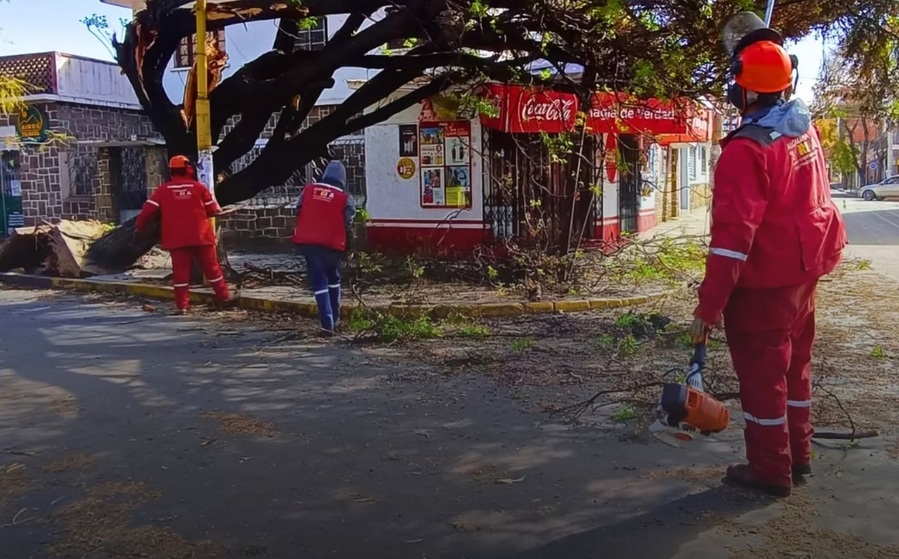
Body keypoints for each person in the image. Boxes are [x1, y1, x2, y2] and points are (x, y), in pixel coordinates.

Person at [689, 22, 848, 497]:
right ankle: (798, 456)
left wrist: (707, 309)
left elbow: (731, 243)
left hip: (764, 288)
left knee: (763, 382)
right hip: (803, 276)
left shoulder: (746, 151)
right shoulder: (803, 126)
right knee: (795, 372)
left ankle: (770, 470)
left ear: (741, 84)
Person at [135, 155, 236, 315]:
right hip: (201, 236)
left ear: (171, 171)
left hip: (176, 238)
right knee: (212, 269)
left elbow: (147, 211)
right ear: (189, 169)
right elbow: (212, 211)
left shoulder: (163, 190)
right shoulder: (199, 188)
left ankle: (182, 307)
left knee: (181, 273)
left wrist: (139, 228)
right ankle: (224, 297)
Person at [292, 160, 356, 333]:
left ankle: (327, 321)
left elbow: (297, 210)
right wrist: (348, 247)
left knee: (318, 279)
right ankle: (335, 318)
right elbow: (348, 222)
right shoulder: (345, 198)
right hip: (332, 244)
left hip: (309, 243)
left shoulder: (308, 190)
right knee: (333, 278)